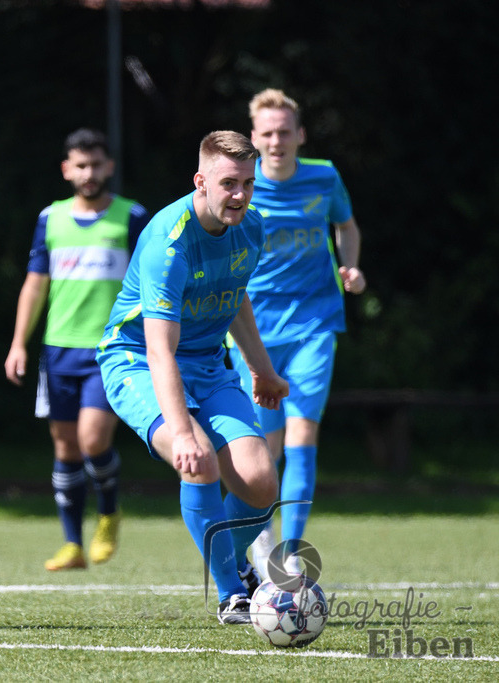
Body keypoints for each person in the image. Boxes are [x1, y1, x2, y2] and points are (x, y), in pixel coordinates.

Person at [96, 131, 288, 624]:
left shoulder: (252, 227)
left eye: (248, 182)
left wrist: (261, 369)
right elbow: (159, 348)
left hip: (207, 364)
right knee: (198, 460)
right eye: (229, 184)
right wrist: (182, 432)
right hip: (137, 360)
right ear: (201, 182)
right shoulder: (169, 239)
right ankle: (232, 593)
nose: (241, 195)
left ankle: (235, 566)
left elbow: (236, 297)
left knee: (263, 484)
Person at [228, 89, 366, 578]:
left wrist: (350, 267)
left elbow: (346, 227)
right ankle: (261, 540)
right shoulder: (240, 186)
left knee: (304, 432)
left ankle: (291, 550)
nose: (276, 140)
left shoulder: (324, 177)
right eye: (266, 132)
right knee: (266, 448)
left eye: (285, 131)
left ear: (300, 135)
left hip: (315, 322)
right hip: (254, 330)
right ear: (254, 138)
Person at [4, 128, 149, 571]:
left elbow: (153, 281)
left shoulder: (132, 217)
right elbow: (35, 283)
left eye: (96, 164)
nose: (89, 173)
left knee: (92, 439)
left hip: (111, 349)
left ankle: (108, 513)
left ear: (110, 167)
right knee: (66, 448)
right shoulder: (52, 218)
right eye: (80, 165)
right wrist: (18, 344)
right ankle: (72, 544)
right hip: (58, 350)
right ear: (67, 170)